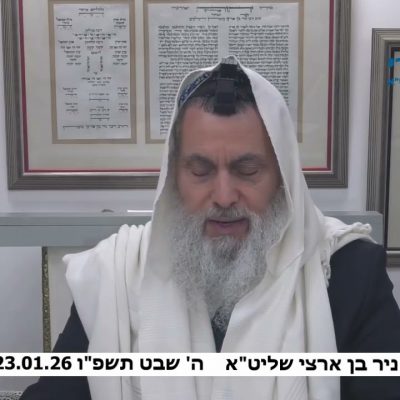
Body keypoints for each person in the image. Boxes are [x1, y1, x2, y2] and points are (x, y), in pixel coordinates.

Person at [21, 57, 400, 400]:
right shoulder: (116, 275)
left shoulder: (350, 270)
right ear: (173, 178)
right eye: (200, 171)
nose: (223, 196)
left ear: (283, 178)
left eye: (247, 171)